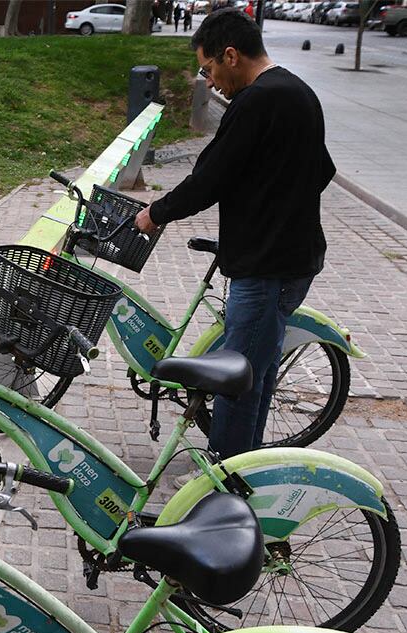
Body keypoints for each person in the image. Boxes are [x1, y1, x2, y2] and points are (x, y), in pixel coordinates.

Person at [133, 8, 335, 459]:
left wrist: (156, 213)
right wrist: (274, 203)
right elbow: (322, 170)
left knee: (235, 382)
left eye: (208, 70)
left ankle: (223, 485)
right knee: (256, 374)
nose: (209, 81)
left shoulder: (258, 100)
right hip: (292, 263)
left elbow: (210, 178)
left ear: (231, 55)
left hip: (266, 270)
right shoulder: (298, 92)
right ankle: (246, 469)